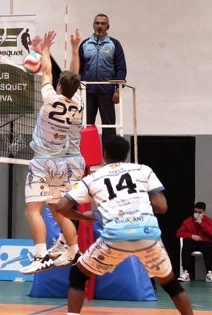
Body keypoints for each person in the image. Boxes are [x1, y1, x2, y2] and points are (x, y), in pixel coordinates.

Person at [55, 135, 194, 315]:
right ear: (126, 155)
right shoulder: (143, 170)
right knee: (171, 285)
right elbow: (162, 206)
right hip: (148, 235)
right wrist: (137, 208)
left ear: (104, 154)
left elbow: (61, 207)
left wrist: (84, 217)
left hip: (115, 237)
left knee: (78, 275)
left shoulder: (93, 178)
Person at [19, 31, 82, 274]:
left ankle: (41, 255)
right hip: (61, 164)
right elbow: (73, 76)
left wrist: (44, 49)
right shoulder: (78, 105)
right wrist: (75, 49)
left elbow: (46, 71)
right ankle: (74, 251)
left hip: (41, 163)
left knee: (33, 210)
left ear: (58, 86)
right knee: (58, 210)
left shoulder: (49, 100)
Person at [78, 13, 127, 142]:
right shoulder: (85, 44)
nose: (100, 26)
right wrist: (77, 91)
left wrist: (117, 90)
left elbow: (121, 68)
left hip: (107, 92)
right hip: (87, 92)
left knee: (109, 129)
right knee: (86, 127)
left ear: (108, 26)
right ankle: (86, 160)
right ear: (93, 25)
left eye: (103, 24)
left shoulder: (115, 44)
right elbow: (79, 69)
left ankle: (110, 160)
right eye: (97, 23)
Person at [176, 201, 212, 283]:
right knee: (186, 247)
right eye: (195, 212)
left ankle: (209, 273)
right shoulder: (188, 221)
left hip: (204, 242)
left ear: (204, 212)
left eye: (200, 212)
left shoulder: (209, 221)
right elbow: (179, 233)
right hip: (192, 242)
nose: (197, 214)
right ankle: (186, 273)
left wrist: (201, 224)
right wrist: (191, 236)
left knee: (208, 248)